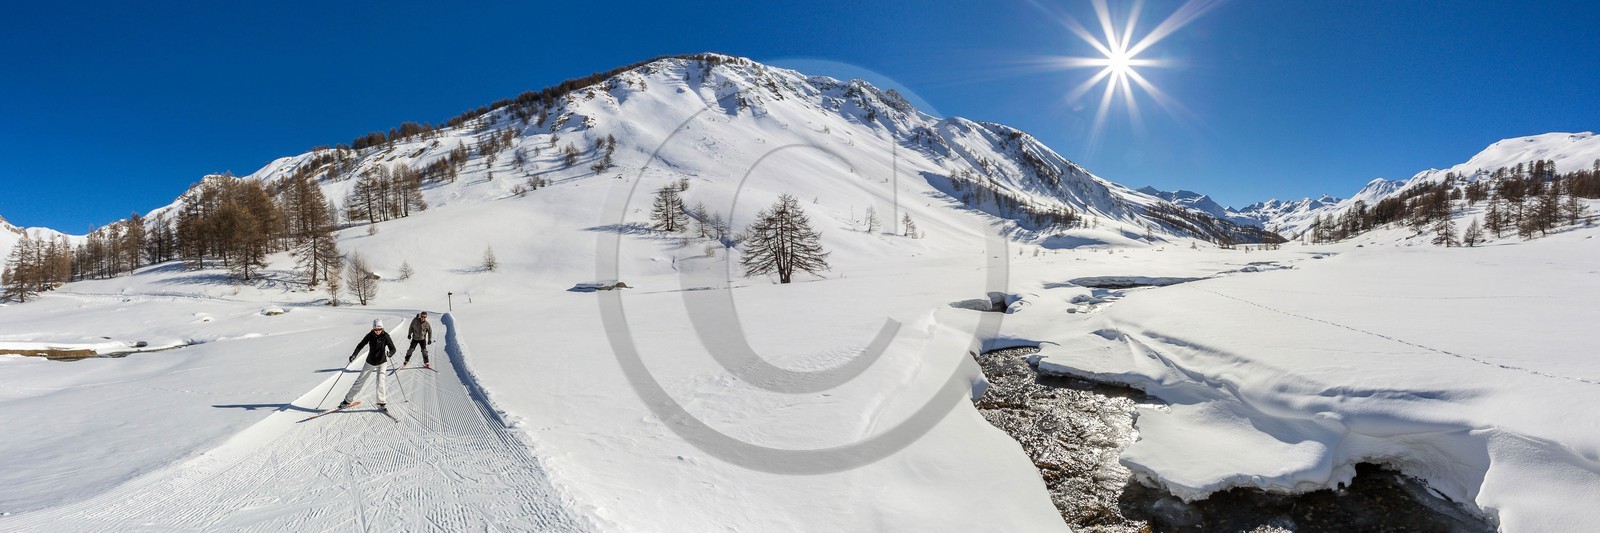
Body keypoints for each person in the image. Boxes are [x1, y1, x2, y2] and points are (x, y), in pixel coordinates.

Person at [340, 319, 397, 409]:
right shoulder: (370, 336)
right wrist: (354, 355)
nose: (378, 331)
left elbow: (393, 349)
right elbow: (360, 345)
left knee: (380, 382)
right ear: (373, 328)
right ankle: (347, 400)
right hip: (370, 362)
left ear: (382, 328)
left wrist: (390, 353)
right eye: (376, 329)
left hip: (382, 362)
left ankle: (381, 402)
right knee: (360, 381)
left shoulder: (386, 336)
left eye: (379, 329)